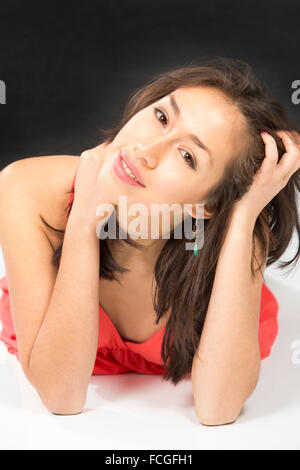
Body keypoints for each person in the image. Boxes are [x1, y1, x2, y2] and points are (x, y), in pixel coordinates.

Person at [0, 57, 299, 424]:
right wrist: (85, 216)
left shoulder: (232, 230)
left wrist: (242, 218)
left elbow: (217, 410)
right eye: (161, 118)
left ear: (208, 205)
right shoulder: (25, 188)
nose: (147, 150)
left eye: (187, 156)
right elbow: (61, 396)